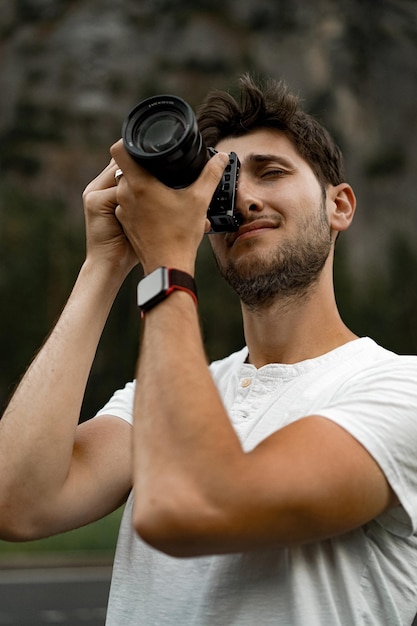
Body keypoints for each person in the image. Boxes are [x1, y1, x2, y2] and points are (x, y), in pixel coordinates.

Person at [1, 74, 417, 625]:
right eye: (223, 183)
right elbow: (18, 500)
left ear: (339, 205)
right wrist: (104, 264)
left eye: (272, 172)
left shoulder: (398, 390)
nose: (243, 197)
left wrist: (167, 265)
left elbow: (194, 506)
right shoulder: (164, 393)